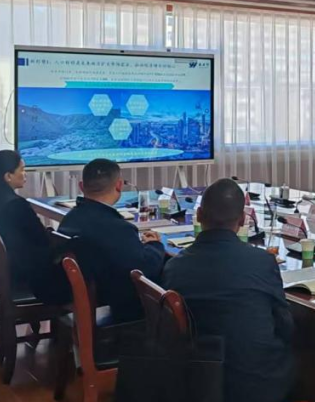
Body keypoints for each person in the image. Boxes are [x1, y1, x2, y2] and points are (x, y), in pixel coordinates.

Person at [163, 178, 294, 402]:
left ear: (199, 215)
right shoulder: (262, 262)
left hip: (196, 381)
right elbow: (285, 326)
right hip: (256, 384)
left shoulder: (174, 266)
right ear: (243, 220)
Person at [58, 159, 165, 323]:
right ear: (119, 185)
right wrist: (154, 245)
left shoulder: (71, 218)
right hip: (116, 299)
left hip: (81, 290)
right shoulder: (118, 228)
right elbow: (145, 270)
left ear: (81, 186)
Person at [0, 150, 68, 304]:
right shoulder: (16, 205)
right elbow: (43, 241)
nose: (25, 174)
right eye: (22, 170)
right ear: (8, 176)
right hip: (18, 275)